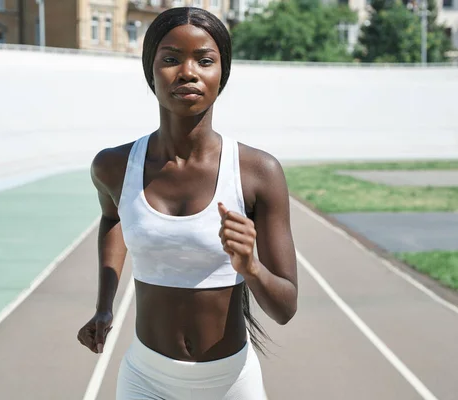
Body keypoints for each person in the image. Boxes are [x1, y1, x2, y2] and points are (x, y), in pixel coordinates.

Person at [77, 7, 298, 399]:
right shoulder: (113, 166)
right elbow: (112, 217)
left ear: (221, 75)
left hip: (230, 385)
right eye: (171, 59)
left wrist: (251, 267)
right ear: (150, 72)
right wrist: (104, 305)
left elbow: (284, 308)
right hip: (146, 380)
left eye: (205, 60)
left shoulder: (258, 172)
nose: (188, 72)